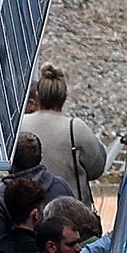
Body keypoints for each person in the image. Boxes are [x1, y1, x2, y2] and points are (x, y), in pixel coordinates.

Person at [18, 67, 110, 197]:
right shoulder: (76, 128)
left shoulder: (21, 125)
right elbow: (97, 168)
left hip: (27, 210)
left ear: (38, 95)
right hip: (70, 210)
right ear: (64, 96)